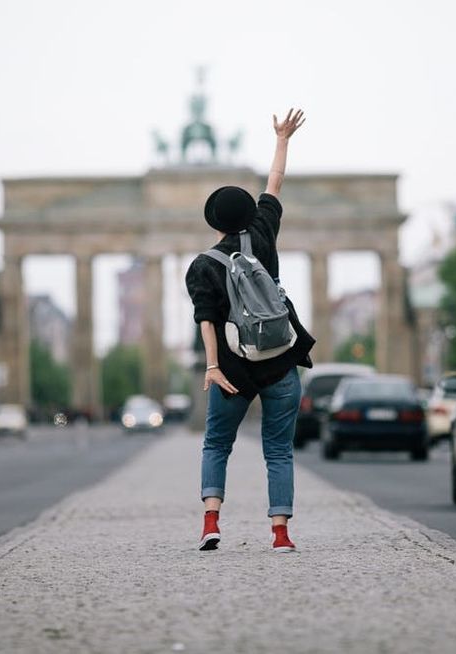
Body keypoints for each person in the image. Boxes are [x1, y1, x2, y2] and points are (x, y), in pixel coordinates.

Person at [185, 108, 315, 553]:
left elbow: (206, 318)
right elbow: (274, 182)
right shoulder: (263, 234)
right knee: (278, 451)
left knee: (216, 445)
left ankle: (210, 523)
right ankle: (280, 533)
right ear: (248, 214)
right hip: (280, 361)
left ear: (215, 223)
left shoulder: (203, 265)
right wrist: (282, 139)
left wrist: (213, 366)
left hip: (233, 371)